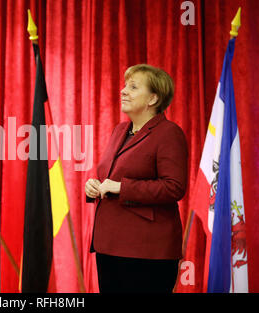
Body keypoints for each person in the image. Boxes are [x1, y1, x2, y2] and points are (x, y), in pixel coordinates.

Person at [85, 64, 188, 293]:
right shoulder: (120, 130)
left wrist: (122, 187)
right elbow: (109, 175)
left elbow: (174, 187)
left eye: (132, 87)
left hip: (146, 249)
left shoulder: (169, 133)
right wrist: (94, 185)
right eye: (124, 86)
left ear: (153, 99)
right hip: (109, 245)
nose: (123, 91)